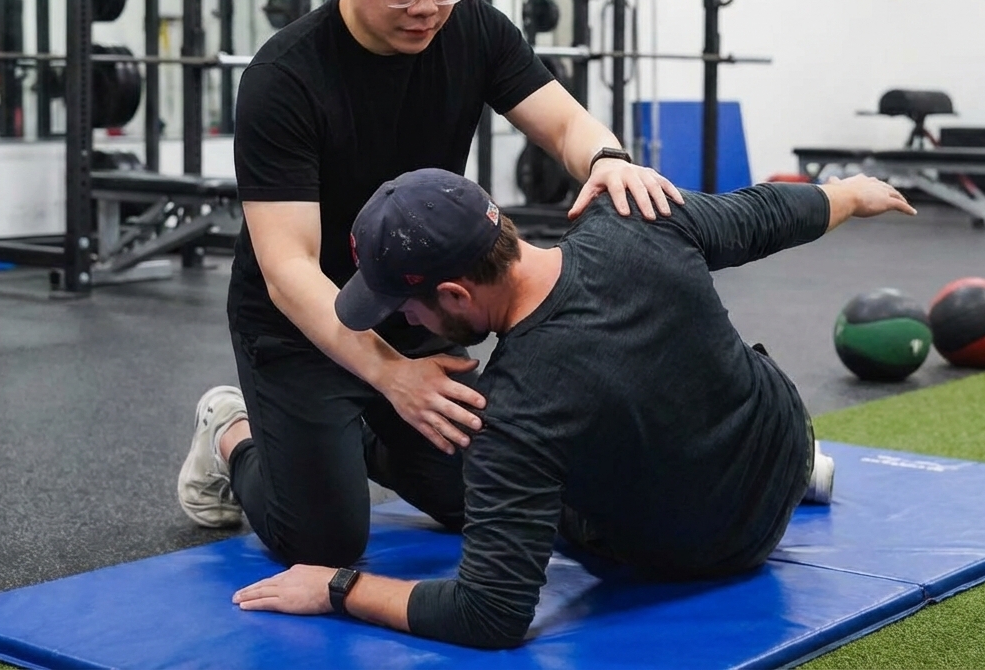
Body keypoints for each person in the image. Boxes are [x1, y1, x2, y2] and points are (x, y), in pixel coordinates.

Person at [175, 0, 681, 570]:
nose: (428, 7)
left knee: (496, 497)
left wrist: (608, 159)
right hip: (302, 323)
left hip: (413, 309)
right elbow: (287, 271)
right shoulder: (284, 79)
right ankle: (232, 430)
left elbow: (567, 128)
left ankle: (356, 442)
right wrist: (389, 378)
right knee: (324, 544)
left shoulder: (476, 30)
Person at [228, 167, 917, 649]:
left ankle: (229, 430)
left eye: (405, 306)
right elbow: (766, 214)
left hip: (700, 556)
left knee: (463, 447)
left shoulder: (511, 411)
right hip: (784, 449)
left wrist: (338, 588)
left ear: (457, 294)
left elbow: (489, 613)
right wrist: (850, 193)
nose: (402, 321)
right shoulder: (637, 220)